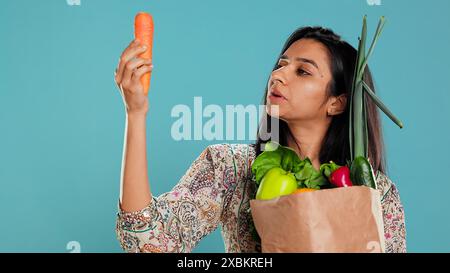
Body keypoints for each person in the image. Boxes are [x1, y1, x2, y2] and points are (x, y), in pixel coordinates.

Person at [113, 26, 407, 253]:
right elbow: (146, 240)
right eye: (281, 64)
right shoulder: (231, 167)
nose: (278, 75)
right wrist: (135, 113)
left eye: (302, 71)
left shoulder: (375, 193)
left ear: (337, 103)